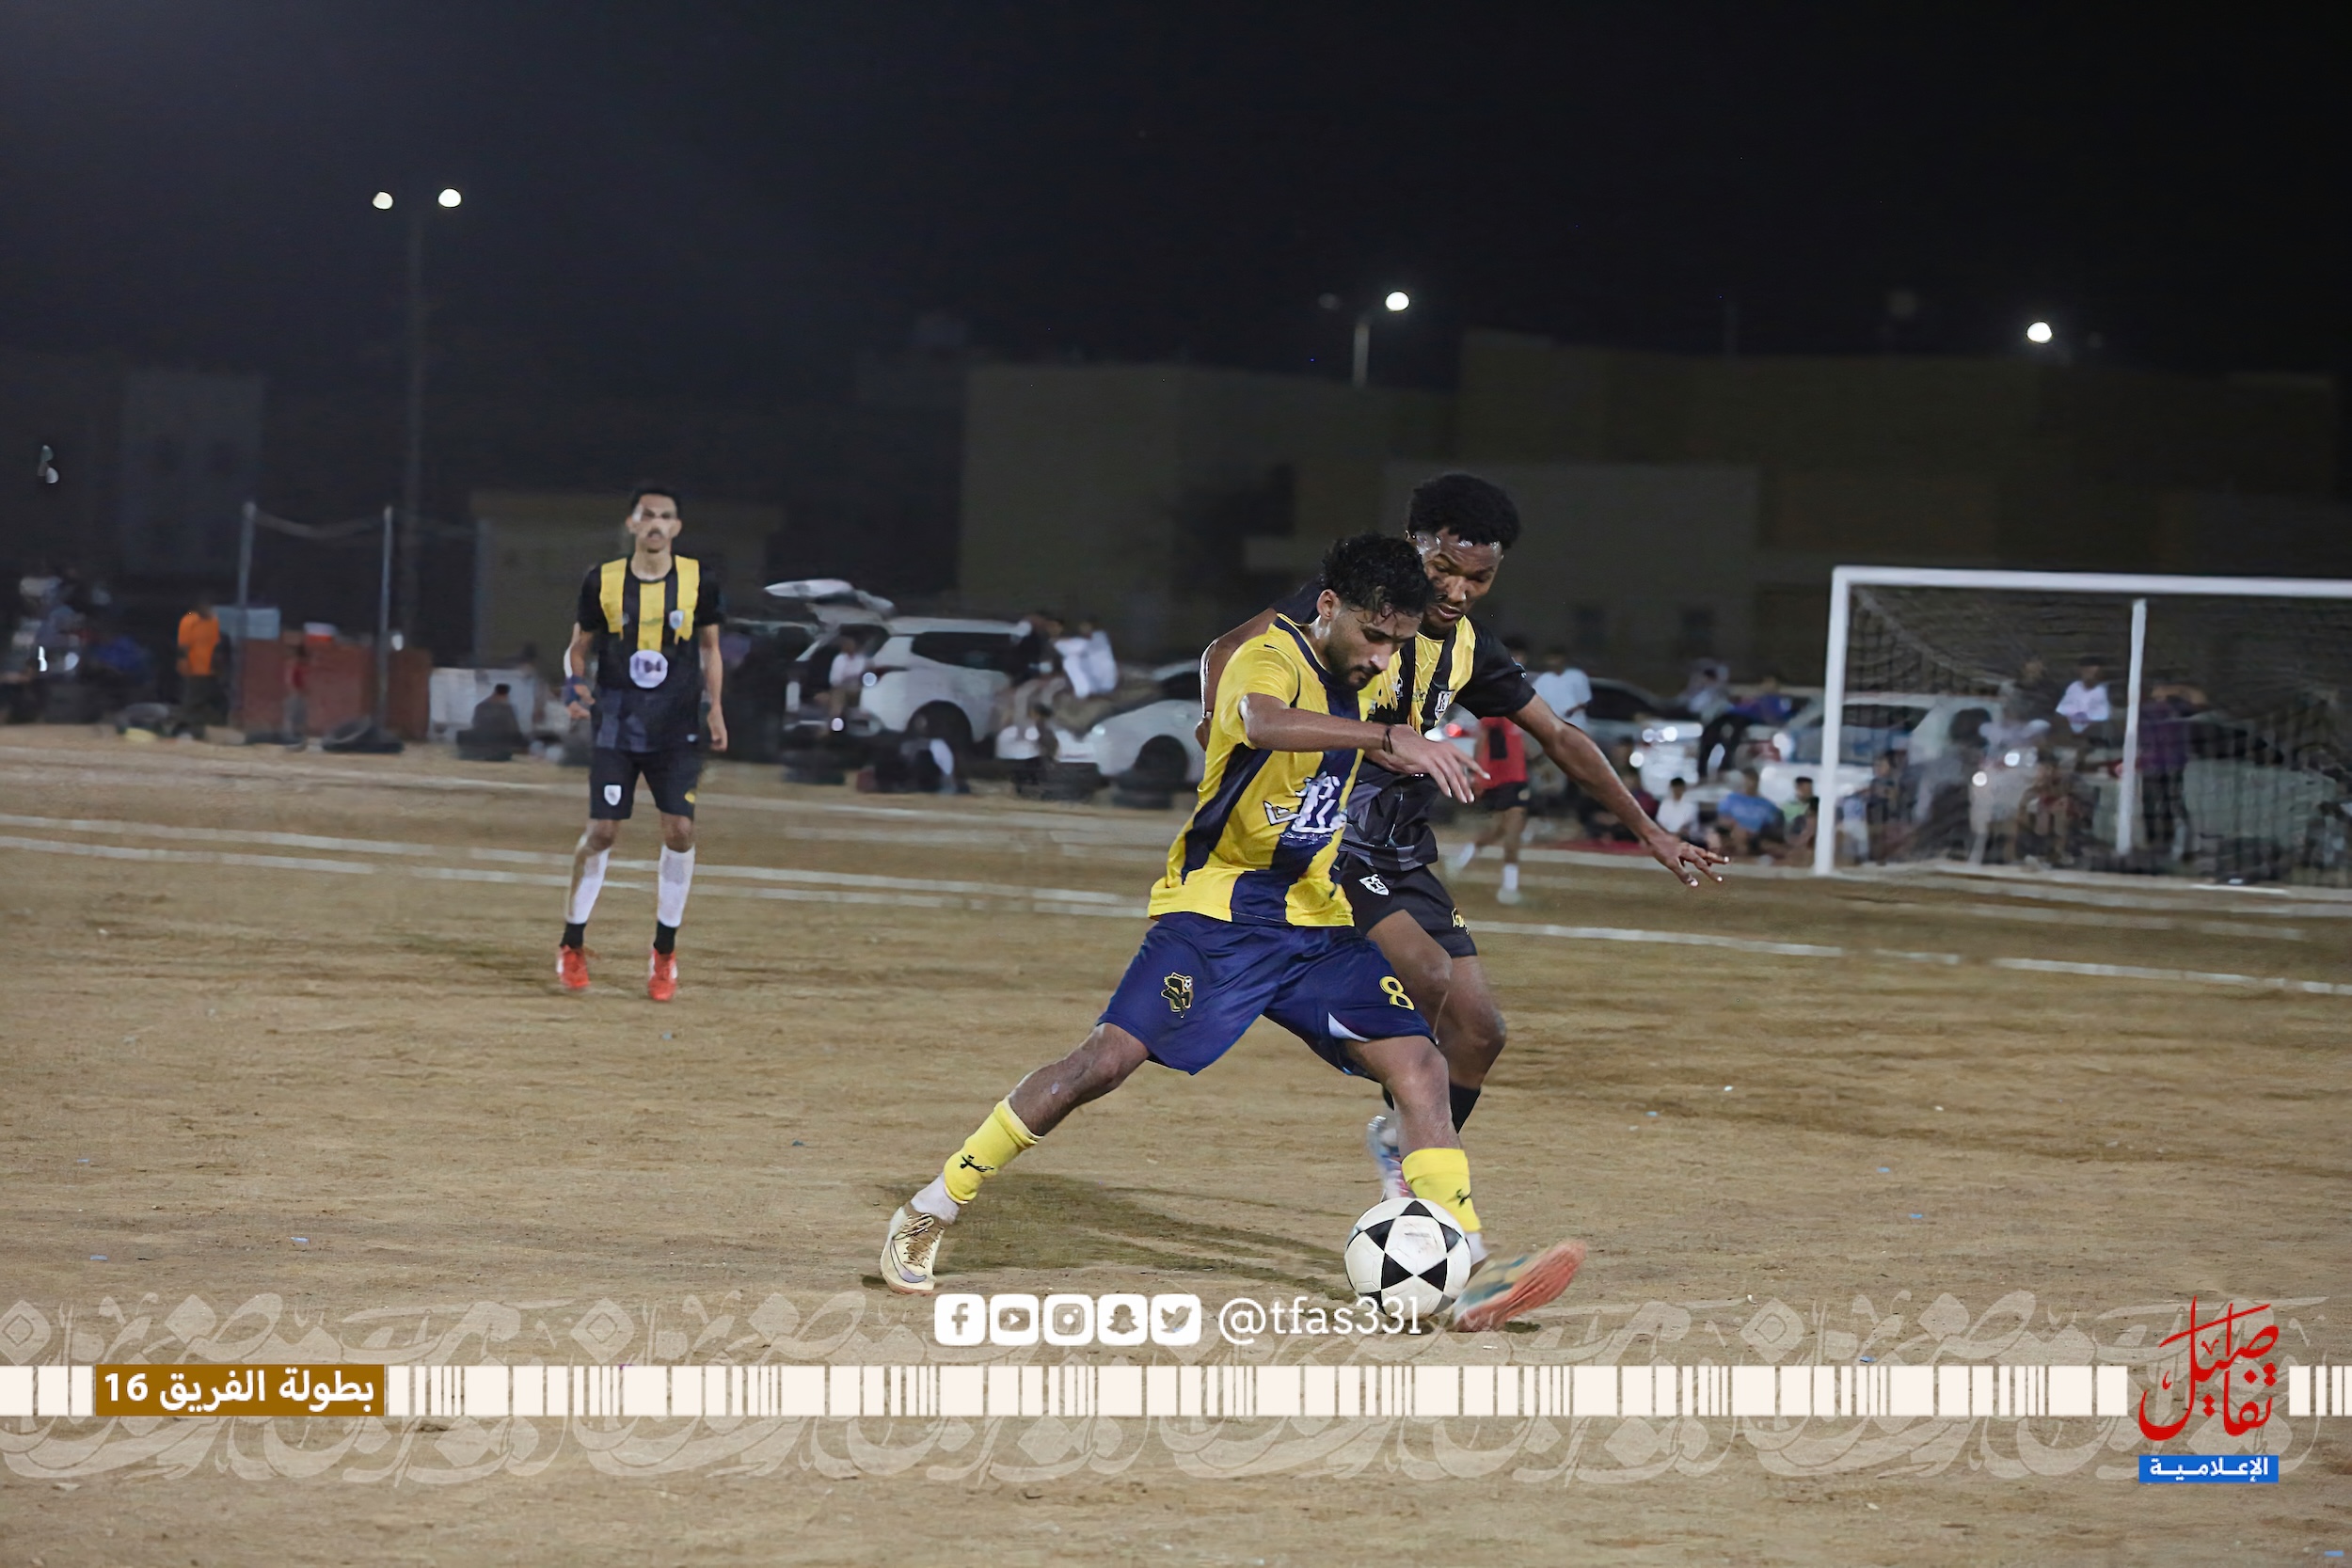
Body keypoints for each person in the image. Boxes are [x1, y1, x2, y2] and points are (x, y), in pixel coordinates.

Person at [881, 534, 1583, 1331]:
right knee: (1101, 1064)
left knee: (1422, 1063)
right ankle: (934, 1204)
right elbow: (1259, 718)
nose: (1383, 659)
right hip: (1218, 915)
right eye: (1373, 637)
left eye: (1397, 643)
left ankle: (1468, 1265)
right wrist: (1385, 739)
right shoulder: (1273, 656)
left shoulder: (1370, 674)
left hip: (1315, 917)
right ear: (1328, 607)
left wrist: (1402, 750)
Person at [1199, 472, 1724, 1201]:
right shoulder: (1348, 608)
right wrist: (1214, 727)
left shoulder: (1472, 648)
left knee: (1480, 1032)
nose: (1457, 590)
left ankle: (1402, 1154)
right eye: (1444, 568)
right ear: (1414, 544)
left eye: (1478, 577)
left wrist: (1651, 830)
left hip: (1401, 849)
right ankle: (1406, 1148)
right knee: (1429, 975)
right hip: (1327, 836)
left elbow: (1561, 736)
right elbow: (1226, 649)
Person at [556, 486, 728, 1002]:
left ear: (677, 527)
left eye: (665, 517)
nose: (656, 524)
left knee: (680, 831)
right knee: (603, 832)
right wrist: (574, 684)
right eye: (647, 515)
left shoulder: (699, 580)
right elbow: (579, 645)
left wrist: (716, 707)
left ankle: (664, 953)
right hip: (617, 723)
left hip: (676, 726)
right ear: (632, 524)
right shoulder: (602, 579)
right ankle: (571, 943)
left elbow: (711, 649)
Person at [1451, 713, 1531, 903]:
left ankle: (1460, 860)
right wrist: (1477, 774)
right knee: (1513, 829)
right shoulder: (1497, 714)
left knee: (1500, 828)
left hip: (1515, 778)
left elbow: (1519, 744)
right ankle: (1508, 888)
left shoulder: (1515, 713)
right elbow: (1482, 740)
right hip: (1503, 780)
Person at [2136, 677, 2203, 859]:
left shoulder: (2178, 707)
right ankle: (2153, 843)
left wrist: (2178, 688)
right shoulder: (2145, 709)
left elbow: (2200, 701)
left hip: (2173, 762)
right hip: (2151, 762)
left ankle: (2180, 846)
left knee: (2173, 802)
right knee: (2151, 804)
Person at [177, 593, 223, 736]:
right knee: (190, 698)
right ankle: (183, 726)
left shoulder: (213, 621)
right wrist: (185, 663)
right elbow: (183, 645)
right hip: (193, 667)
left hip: (209, 668)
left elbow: (216, 644)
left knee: (206, 697)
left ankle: (201, 725)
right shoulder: (189, 620)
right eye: (206, 606)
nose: (209, 609)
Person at [1709, 768, 1781, 859]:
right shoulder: (1731, 799)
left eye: (1753, 780)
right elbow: (1722, 819)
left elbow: (1773, 825)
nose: (1750, 784)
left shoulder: (1766, 804)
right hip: (1733, 833)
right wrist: (1736, 826)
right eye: (1747, 780)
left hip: (1758, 836)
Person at [1531, 646, 1591, 730]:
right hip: (1551, 726)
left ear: (1563, 659)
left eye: (1555, 658)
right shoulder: (1543, 679)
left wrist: (1570, 711)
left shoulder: (1577, 676)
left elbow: (1584, 702)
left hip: (1575, 725)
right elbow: (1535, 700)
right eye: (1550, 659)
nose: (1553, 662)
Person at [2058, 657, 2111, 735]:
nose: (2090, 676)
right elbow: (2062, 711)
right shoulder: (2074, 687)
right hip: (2070, 730)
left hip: (2095, 732)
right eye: (2087, 672)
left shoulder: (2103, 690)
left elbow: (2103, 717)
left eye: (2094, 673)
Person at [280, 638, 310, 749]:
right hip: (296, 692)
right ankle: (291, 737)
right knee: (293, 715)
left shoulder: (297, 667)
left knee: (298, 715)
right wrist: (296, 691)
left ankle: (295, 736)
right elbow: (292, 681)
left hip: (297, 692)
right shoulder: (295, 667)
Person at [1655, 776, 1701, 842]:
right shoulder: (1665, 803)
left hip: (1686, 837)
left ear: (1683, 788)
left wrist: (1677, 835)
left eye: (1679, 787)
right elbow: (1660, 822)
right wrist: (1668, 834)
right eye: (1674, 788)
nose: (1676, 790)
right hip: (1666, 836)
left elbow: (1688, 824)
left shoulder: (1691, 804)